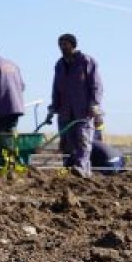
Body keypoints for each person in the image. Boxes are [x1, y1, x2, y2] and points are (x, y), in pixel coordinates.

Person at [45, 33, 103, 177]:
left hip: (83, 110)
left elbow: (96, 85)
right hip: (65, 110)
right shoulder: (59, 65)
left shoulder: (86, 61)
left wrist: (94, 104)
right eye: (60, 44)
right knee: (66, 142)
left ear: (73, 45)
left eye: (65, 44)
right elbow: (56, 88)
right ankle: (69, 170)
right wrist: (53, 107)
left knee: (83, 140)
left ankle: (82, 168)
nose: (62, 47)